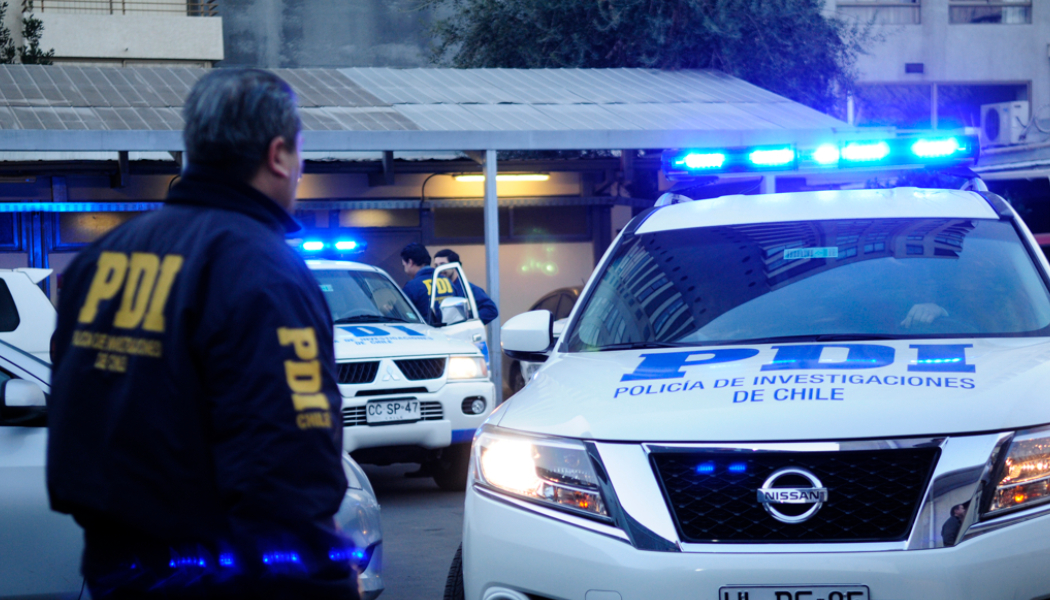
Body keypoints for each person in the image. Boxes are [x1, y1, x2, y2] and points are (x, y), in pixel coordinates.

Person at [47, 69, 359, 600]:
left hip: (117, 570)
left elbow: (78, 426)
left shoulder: (99, 261)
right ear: (278, 155)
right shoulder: (265, 273)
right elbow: (291, 471)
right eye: (301, 153)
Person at [432, 248, 499, 325]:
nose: (439, 269)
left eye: (442, 265)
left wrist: (467, 320)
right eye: (436, 265)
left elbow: (491, 310)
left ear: (454, 266)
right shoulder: (435, 290)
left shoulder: (469, 289)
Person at [400, 242, 456, 324]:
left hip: (425, 330)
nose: (404, 269)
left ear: (410, 262)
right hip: (450, 329)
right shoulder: (448, 281)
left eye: (404, 265)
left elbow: (401, 314)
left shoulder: (412, 287)